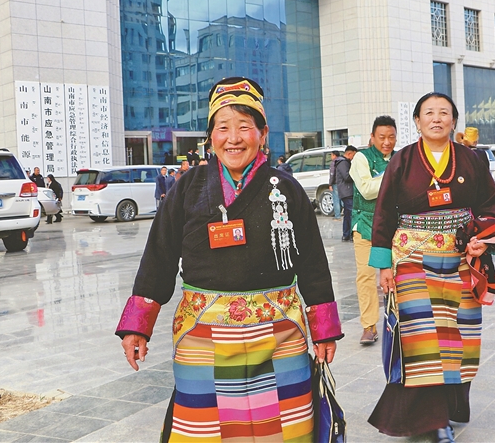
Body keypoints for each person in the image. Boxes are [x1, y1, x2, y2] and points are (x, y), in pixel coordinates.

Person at [116, 77, 343, 442]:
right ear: (210, 137)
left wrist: (325, 329)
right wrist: (137, 326)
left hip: (280, 335)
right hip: (202, 336)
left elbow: (313, 262)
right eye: (223, 128)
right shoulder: (187, 188)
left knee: (285, 431)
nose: (233, 138)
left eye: (244, 127)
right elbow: (159, 256)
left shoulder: (287, 189)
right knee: (203, 431)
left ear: (263, 134)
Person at [367, 92, 495, 442]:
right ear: (417, 121)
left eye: (444, 113)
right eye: (429, 113)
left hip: (460, 259)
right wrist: (383, 265)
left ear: (454, 120)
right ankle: (431, 421)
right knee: (423, 338)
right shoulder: (402, 159)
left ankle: (449, 410)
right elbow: (384, 212)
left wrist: (483, 238)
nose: (436, 118)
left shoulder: (471, 159)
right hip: (412, 260)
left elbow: (489, 206)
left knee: (459, 337)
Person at [350, 115, 397, 345]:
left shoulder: (399, 158)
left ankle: (398, 320)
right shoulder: (361, 157)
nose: (387, 142)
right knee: (366, 277)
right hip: (365, 224)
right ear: (372, 137)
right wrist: (394, 176)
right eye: (382, 137)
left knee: (397, 275)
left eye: (391, 137)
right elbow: (367, 190)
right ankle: (369, 326)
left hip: (394, 227)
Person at [336, 146, 357, 241]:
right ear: (349, 153)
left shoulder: (343, 162)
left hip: (346, 191)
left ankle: (346, 234)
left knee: (348, 214)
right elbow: (347, 177)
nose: (354, 158)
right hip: (347, 191)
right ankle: (351, 235)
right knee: (352, 213)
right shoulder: (343, 162)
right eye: (354, 155)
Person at [328, 150, 342, 220]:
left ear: (334, 155)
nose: (331, 157)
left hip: (335, 183)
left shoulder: (334, 162)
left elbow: (332, 174)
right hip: (342, 183)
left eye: (331, 155)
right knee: (342, 199)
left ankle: (337, 216)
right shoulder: (342, 161)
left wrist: (330, 184)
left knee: (336, 200)